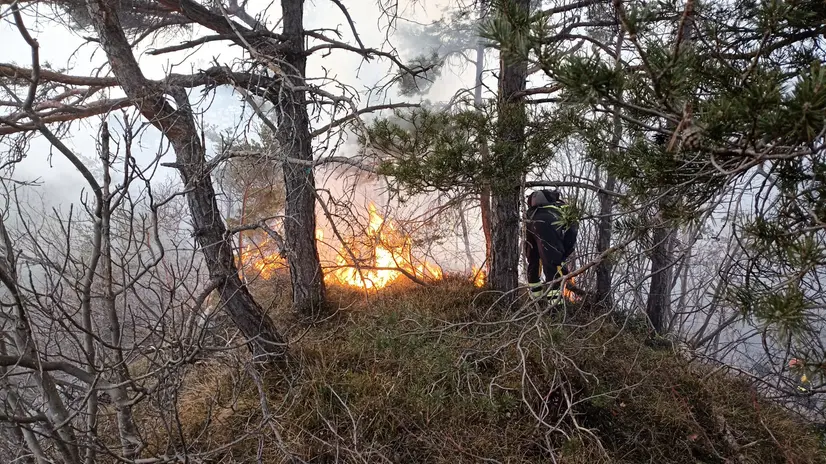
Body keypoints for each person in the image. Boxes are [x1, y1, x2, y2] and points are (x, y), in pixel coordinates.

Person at [524, 189, 578, 301]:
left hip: (530, 222)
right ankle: (555, 310)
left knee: (533, 261)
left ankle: (535, 300)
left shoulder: (532, 212)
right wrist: (563, 255)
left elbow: (530, 252)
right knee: (553, 265)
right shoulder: (562, 209)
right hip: (548, 225)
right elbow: (571, 234)